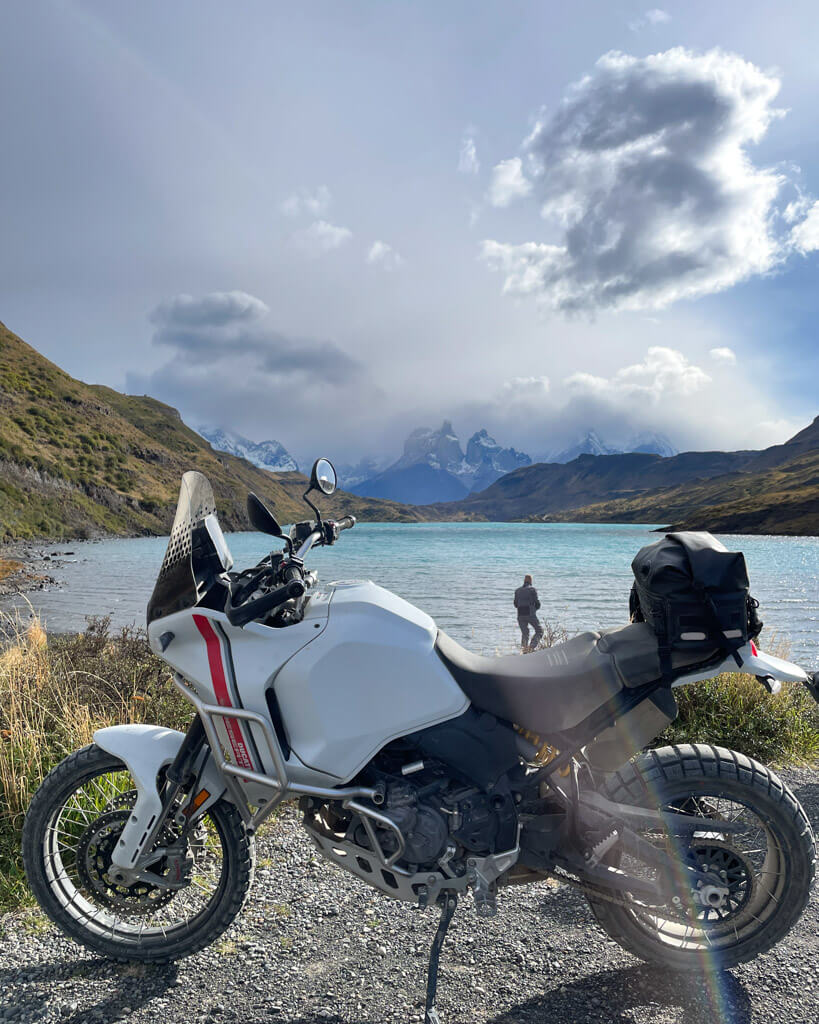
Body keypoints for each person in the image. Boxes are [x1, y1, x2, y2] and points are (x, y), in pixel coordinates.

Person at [514, 573, 543, 652]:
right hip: (530, 614)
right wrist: (534, 610)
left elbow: (515, 604)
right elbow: (537, 604)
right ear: (531, 581)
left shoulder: (517, 591)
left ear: (524, 581)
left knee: (525, 633)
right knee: (539, 631)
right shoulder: (532, 590)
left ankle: (524, 650)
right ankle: (531, 647)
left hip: (520, 615)